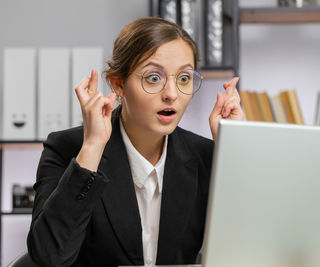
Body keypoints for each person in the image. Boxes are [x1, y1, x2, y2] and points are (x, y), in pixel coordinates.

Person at [27, 17, 244, 267]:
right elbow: (49, 257)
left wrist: (233, 151)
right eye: (153, 78)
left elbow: (248, 250)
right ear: (118, 83)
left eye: (184, 78)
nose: (171, 94)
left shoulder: (204, 155)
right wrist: (92, 148)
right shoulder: (67, 148)